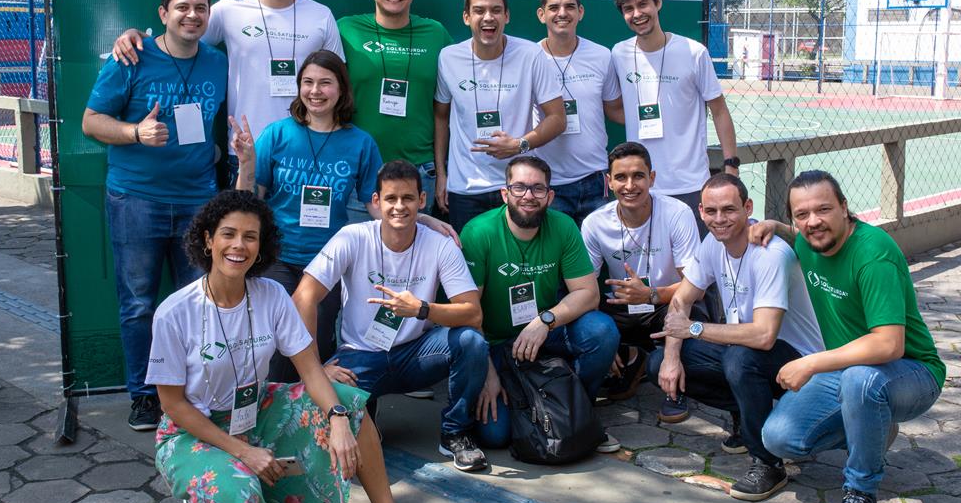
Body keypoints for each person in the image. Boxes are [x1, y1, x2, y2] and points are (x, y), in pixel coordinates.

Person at [147, 189, 441, 503]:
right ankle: (199, 497)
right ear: (208, 240)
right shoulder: (175, 312)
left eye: (250, 236)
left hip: (255, 411)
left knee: (349, 401)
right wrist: (244, 453)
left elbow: (310, 369)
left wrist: (338, 418)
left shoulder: (271, 294)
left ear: (261, 246)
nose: (239, 245)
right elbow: (173, 405)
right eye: (228, 234)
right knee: (239, 493)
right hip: (193, 429)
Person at [229, 50, 455, 381]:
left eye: (325, 83)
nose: (315, 91)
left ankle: (316, 408)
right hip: (277, 256)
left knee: (319, 343)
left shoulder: (360, 143)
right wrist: (247, 163)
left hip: (327, 262)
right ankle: (276, 407)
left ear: (341, 89)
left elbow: (379, 204)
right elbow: (247, 203)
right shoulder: (277, 134)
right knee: (280, 345)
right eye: (308, 82)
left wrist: (423, 218)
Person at [752, 171, 944, 503]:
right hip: (850, 367)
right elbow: (798, 233)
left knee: (861, 380)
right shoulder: (807, 240)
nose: (813, 221)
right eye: (802, 214)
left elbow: (889, 344)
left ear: (844, 208)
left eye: (823, 209)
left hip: (912, 372)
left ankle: (860, 492)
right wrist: (774, 226)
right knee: (778, 438)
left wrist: (810, 362)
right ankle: (873, 427)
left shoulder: (873, 254)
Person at [82, 0, 228, 431]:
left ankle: (192, 394)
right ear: (163, 13)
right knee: (139, 305)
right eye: (182, 7)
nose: (192, 15)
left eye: (200, 8)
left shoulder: (218, 62)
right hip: (136, 199)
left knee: (199, 304)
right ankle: (144, 396)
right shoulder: (132, 56)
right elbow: (90, 121)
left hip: (198, 201)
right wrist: (134, 132)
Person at [293, 160, 490, 472]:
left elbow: (473, 313)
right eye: (391, 198)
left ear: (422, 200)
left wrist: (422, 309)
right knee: (335, 443)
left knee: (472, 342)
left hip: (416, 353)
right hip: (361, 355)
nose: (399, 206)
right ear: (376, 201)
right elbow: (303, 297)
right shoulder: (352, 237)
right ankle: (367, 416)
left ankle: (455, 433)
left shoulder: (440, 245)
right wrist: (316, 368)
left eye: (408, 198)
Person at [112, 0, 344, 183]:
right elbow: (179, 38)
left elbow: (338, 83)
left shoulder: (321, 15)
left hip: (306, 151)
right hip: (245, 149)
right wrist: (136, 35)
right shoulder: (229, 9)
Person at [649, 173, 824, 502]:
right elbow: (681, 301)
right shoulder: (712, 244)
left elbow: (764, 335)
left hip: (802, 363)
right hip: (750, 355)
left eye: (729, 209)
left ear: (748, 207)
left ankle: (768, 463)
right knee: (658, 362)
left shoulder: (769, 253)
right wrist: (672, 358)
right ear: (701, 211)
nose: (720, 219)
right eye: (711, 211)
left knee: (739, 357)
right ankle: (749, 416)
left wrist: (694, 329)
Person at [460, 155, 620, 453]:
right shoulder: (478, 232)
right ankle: (526, 401)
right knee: (495, 436)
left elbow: (588, 293)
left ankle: (577, 414)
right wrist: (486, 373)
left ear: (550, 196)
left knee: (601, 331)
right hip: (494, 344)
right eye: (519, 187)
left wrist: (544, 321)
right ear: (505, 193)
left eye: (538, 188)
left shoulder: (563, 226)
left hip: (544, 335)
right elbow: (467, 313)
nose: (528, 196)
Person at [435, 0, 566, 232]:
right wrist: (442, 174)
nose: (488, 17)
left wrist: (519, 144)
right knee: (469, 257)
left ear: (507, 16)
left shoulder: (530, 55)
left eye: (496, 10)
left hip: (518, 187)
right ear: (466, 17)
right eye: (479, 10)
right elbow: (440, 116)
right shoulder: (448, 57)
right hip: (466, 188)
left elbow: (558, 118)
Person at [580, 142, 703, 413]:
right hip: (621, 305)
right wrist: (604, 342)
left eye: (638, 176)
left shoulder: (677, 213)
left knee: (692, 320)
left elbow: (697, 289)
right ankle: (632, 358)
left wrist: (650, 294)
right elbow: (584, 290)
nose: (630, 185)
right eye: (621, 177)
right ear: (609, 182)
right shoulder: (594, 223)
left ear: (652, 178)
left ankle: (674, 386)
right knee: (590, 327)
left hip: (667, 303)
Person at [610, 0, 739, 235]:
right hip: (641, 187)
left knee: (696, 259)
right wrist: (638, 119)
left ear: (658, 3)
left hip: (690, 184)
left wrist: (731, 166)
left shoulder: (694, 52)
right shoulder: (618, 53)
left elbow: (719, 110)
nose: (637, 14)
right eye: (628, 9)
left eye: (643, 5)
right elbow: (613, 108)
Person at [339, 0, 454, 219]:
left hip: (419, 172)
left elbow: (445, 109)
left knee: (413, 247)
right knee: (360, 246)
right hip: (359, 170)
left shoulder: (436, 34)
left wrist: (442, 172)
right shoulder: (345, 30)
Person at [533, 0, 625, 227]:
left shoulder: (602, 56)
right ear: (541, 14)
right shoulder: (529, 59)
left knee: (596, 252)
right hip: (548, 182)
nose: (562, 13)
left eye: (570, 6)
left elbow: (615, 110)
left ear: (580, 12)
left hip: (595, 179)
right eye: (554, 7)